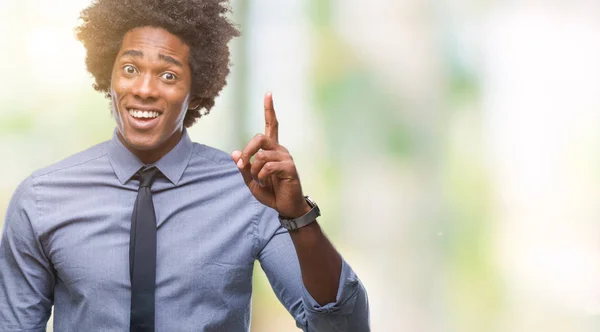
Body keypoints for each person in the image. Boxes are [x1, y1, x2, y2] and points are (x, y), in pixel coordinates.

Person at [0, 0, 370, 331]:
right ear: (108, 76)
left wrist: (299, 216)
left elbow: (343, 328)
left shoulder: (249, 192)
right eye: (130, 68)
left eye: (168, 75)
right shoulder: (41, 199)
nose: (144, 88)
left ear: (196, 91)